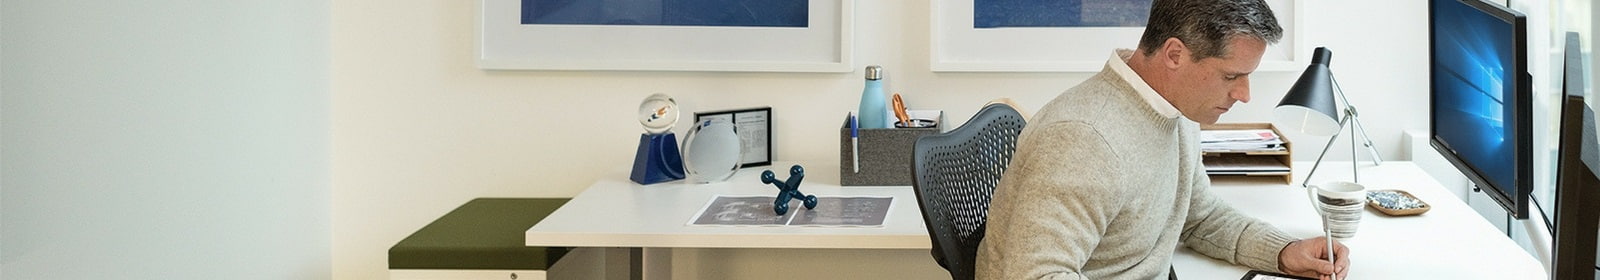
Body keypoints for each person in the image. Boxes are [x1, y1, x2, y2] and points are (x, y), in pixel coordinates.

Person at [975, 0, 1351, 279]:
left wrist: (1285, 251)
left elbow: (1199, 216)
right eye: (1230, 76)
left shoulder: (1176, 109)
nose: (1245, 95)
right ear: (1175, 54)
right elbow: (1036, 274)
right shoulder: (1084, 140)